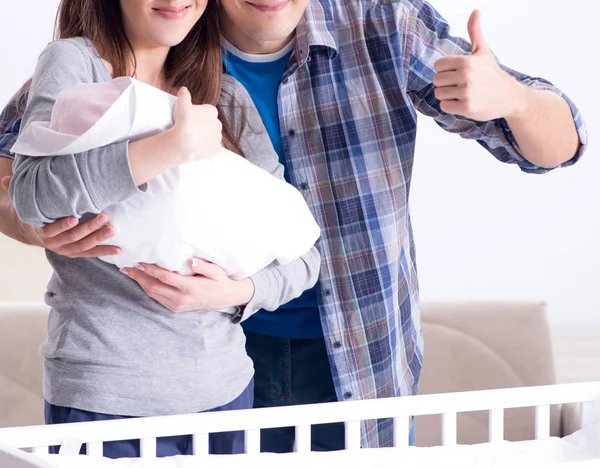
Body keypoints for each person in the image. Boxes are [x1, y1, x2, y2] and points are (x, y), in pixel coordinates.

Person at [0, 0, 587, 452]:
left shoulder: (381, 25)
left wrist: (511, 99)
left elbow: (558, 146)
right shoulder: (151, 43)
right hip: (196, 364)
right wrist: (44, 229)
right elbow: (19, 177)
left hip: (356, 362)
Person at [0, 0, 319, 459]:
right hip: (105, 394)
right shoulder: (75, 63)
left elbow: (305, 252)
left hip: (225, 392)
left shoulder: (225, 96)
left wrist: (237, 292)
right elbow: (31, 195)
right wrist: (168, 149)